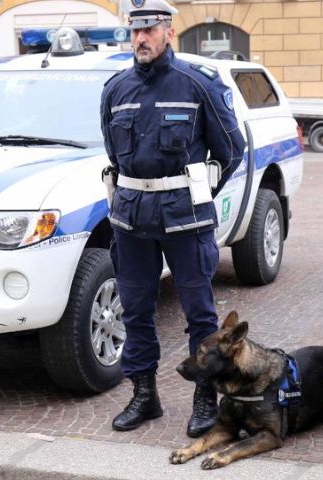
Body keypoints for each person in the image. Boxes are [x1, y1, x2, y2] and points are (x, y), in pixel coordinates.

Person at [99, 0, 246, 437]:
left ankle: (205, 398)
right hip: (131, 220)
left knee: (200, 315)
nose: (140, 39)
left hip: (186, 220)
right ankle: (145, 396)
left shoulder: (197, 85)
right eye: (135, 31)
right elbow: (114, 152)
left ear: (168, 32)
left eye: (149, 30)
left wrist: (197, 194)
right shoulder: (116, 89)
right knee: (137, 310)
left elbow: (230, 150)